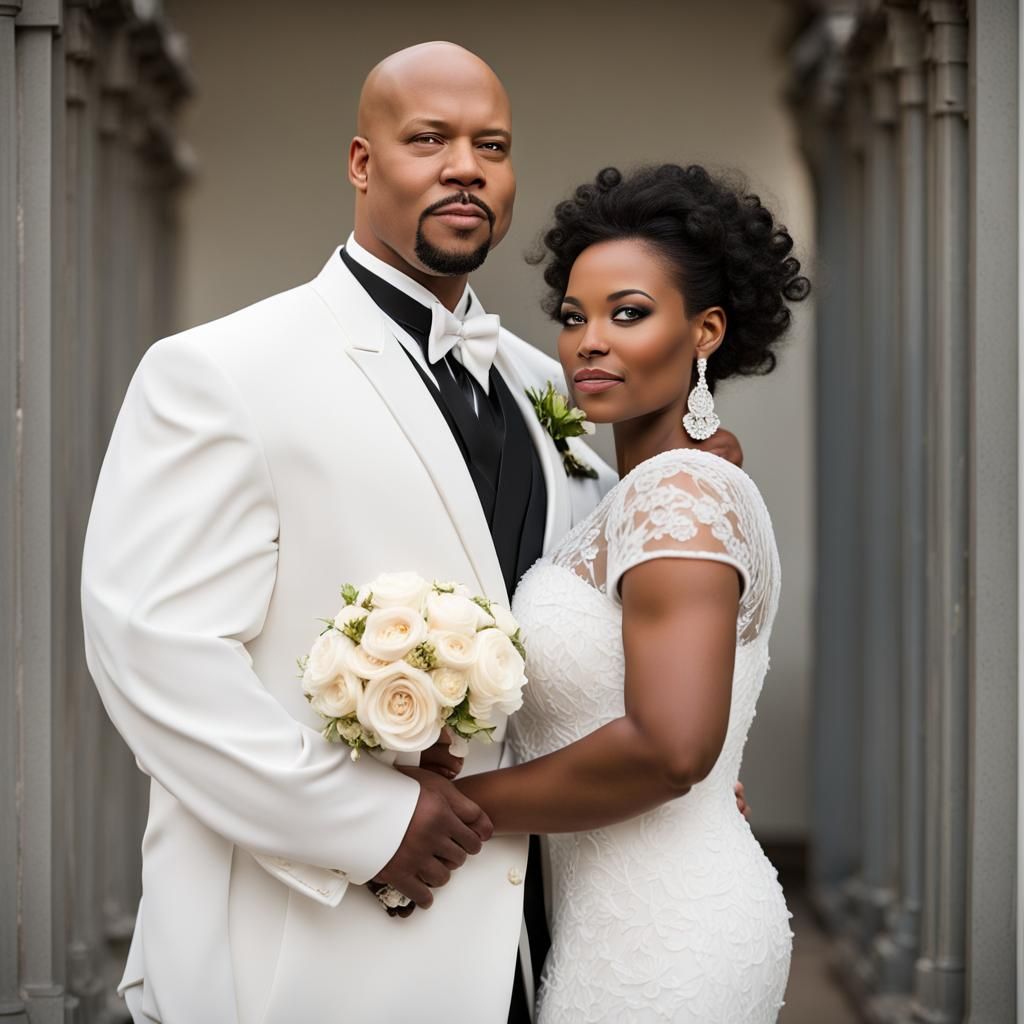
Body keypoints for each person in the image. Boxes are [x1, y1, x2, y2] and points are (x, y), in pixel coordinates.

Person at [81, 42, 742, 1024]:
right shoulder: (221, 372)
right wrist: (368, 820)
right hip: (308, 940)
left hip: (534, 934)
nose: (465, 165)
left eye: (492, 144)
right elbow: (155, 653)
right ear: (361, 163)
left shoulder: (545, 385)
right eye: (428, 139)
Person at [447, 164, 810, 1023]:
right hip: (617, 915)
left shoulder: (676, 492)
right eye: (575, 317)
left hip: (668, 934)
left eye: (629, 313)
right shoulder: (658, 490)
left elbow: (671, 750)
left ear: (705, 331)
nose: (589, 342)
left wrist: (454, 811)